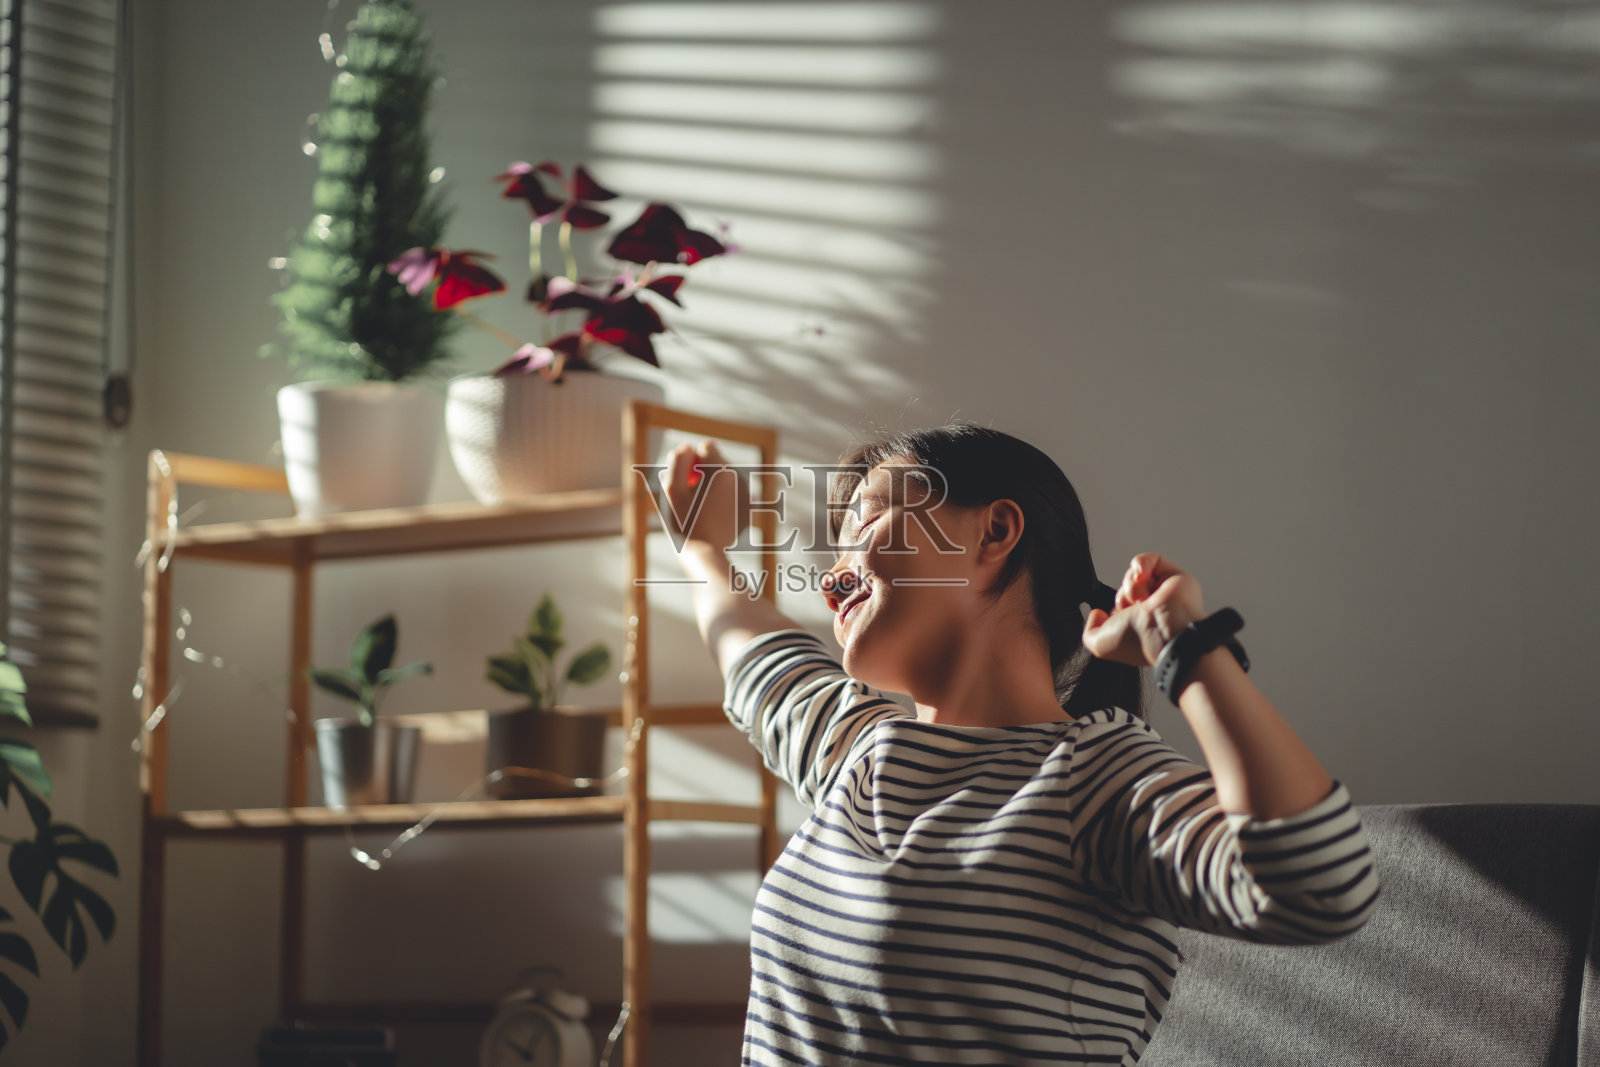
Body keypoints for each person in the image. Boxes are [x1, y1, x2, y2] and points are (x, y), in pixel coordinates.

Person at [662, 423, 1380, 1066]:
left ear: (995, 531)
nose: (831, 574)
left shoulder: (1092, 780)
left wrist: (1183, 648)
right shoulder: (854, 753)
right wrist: (700, 544)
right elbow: (750, 641)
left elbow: (1321, 886)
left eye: (869, 520)